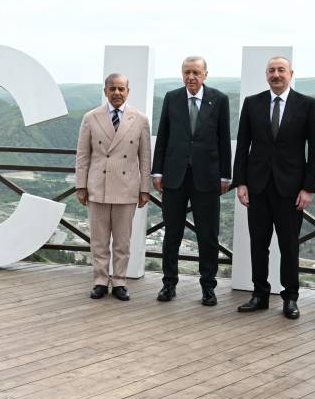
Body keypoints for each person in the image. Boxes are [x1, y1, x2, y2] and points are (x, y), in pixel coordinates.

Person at [232, 55, 315, 319]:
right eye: (271, 70)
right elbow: (243, 145)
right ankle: (259, 295)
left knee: (289, 246)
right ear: (266, 75)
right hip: (257, 187)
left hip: (291, 190)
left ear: (291, 74)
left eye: (281, 70)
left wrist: (308, 188)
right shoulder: (252, 103)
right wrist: (241, 182)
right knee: (258, 244)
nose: (276, 74)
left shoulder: (307, 105)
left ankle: (290, 298)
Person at [151, 56, 232, 306]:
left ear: (205, 74)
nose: (191, 77)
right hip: (174, 176)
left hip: (207, 178)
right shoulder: (172, 98)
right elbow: (163, 135)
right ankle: (168, 284)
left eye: (196, 72)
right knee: (172, 234)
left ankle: (208, 287)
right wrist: (157, 172)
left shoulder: (219, 99)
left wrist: (225, 175)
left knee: (208, 235)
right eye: (187, 72)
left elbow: (224, 138)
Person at [75, 73, 152, 300]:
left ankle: (119, 281)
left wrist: (144, 189)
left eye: (121, 89)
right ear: (105, 91)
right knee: (98, 241)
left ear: (128, 91)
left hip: (127, 187)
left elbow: (145, 157)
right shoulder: (91, 117)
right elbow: (83, 155)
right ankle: (100, 280)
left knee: (122, 241)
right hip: (97, 186)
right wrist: (81, 186)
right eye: (112, 89)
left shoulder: (140, 119)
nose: (117, 93)